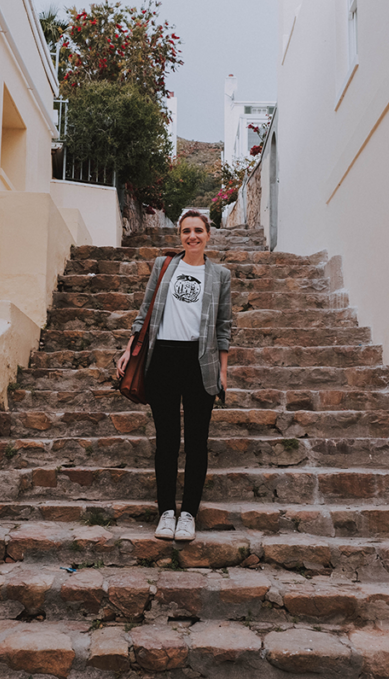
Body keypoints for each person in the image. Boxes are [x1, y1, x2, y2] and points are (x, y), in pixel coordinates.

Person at [115, 211, 232, 542]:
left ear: (208, 235)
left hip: (200, 362)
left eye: (198, 230)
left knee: (196, 442)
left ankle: (189, 515)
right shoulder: (164, 266)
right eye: (186, 231)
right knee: (166, 441)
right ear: (179, 235)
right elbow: (145, 311)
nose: (192, 236)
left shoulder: (221, 275)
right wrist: (129, 348)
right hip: (163, 358)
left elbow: (224, 326)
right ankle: (166, 511)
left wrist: (222, 371)